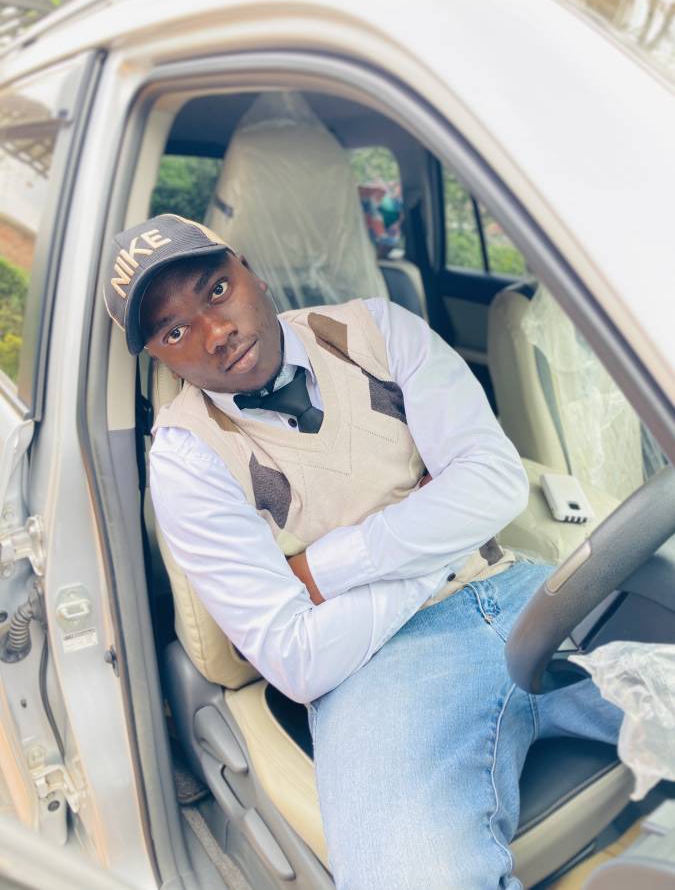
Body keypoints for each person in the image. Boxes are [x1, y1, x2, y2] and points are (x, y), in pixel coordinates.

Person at [103, 213, 622, 889]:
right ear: (160, 356)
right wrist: (441, 535)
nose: (214, 332)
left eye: (217, 290)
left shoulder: (376, 329)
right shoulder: (187, 459)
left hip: (520, 591)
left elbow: (495, 483)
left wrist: (323, 569)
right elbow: (295, 657)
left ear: (249, 270)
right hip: (376, 671)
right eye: (174, 332)